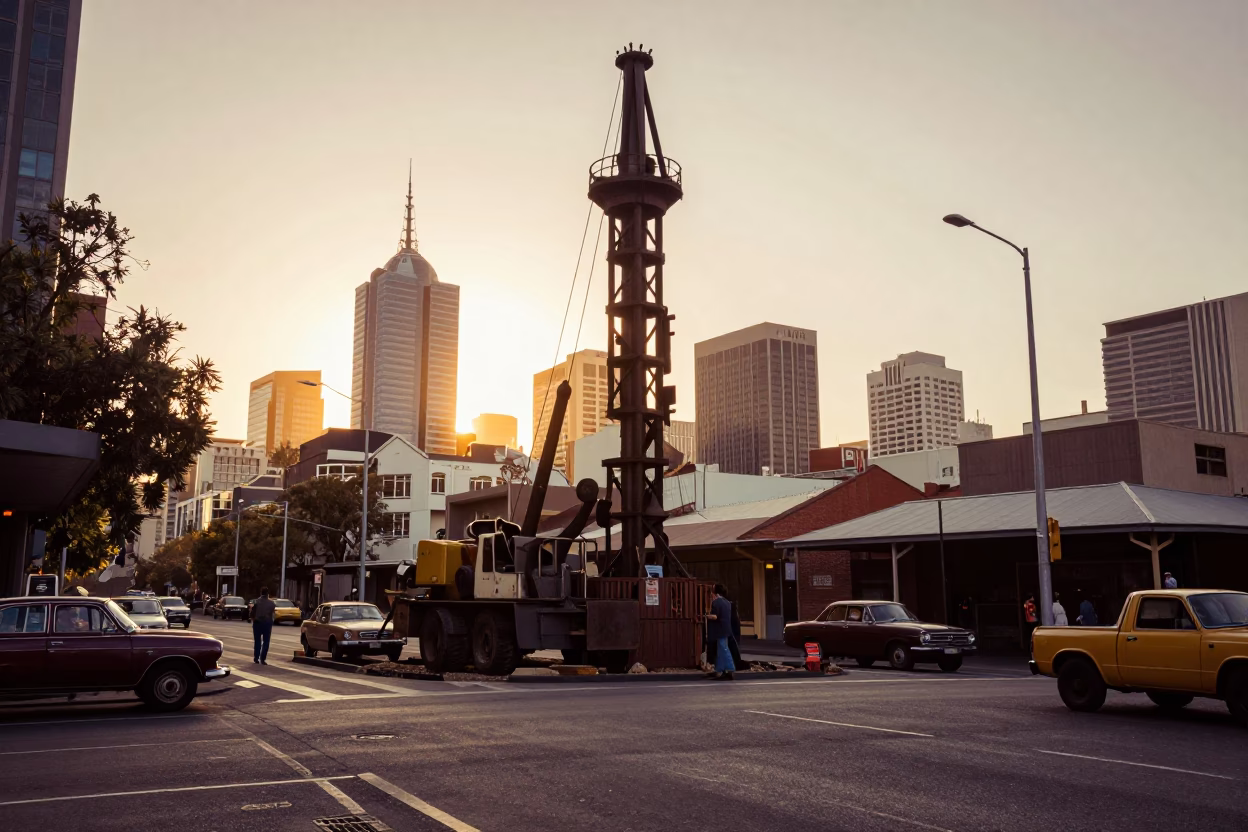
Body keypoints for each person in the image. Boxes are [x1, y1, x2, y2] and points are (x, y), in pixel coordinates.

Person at [705, 584, 735, 681]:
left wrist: (706, 615)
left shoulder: (716, 602)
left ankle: (730, 669)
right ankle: (719, 669)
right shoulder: (727, 602)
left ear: (715, 592)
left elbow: (715, 616)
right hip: (726, 629)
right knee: (721, 649)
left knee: (723, 649)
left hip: (719, 629)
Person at [250, 586, 277, 665]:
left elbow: (252, 613)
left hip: (257, 623)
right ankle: (263, 659)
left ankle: (256, 658)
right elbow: (272, 613)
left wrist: (253, 618)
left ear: (261, 593)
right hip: (267, 623)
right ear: (268, 594)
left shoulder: (256, 602)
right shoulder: (271, 603)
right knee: (266, 641)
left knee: (257, 641)